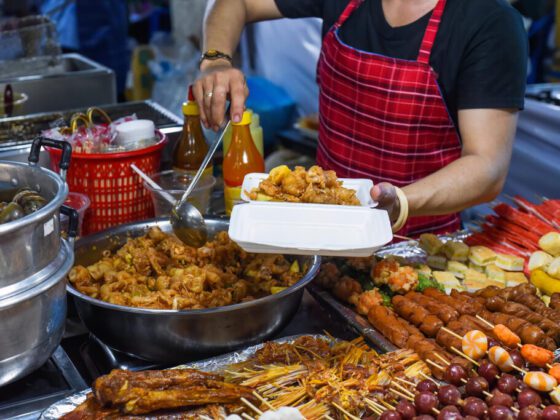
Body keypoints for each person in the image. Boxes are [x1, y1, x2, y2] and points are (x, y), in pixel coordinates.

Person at [194, 0, 527, 235]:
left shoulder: (489, 22)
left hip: (414, 248)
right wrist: (217, 60)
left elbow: (487, 166)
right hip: (320, 230)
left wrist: (400, 202)